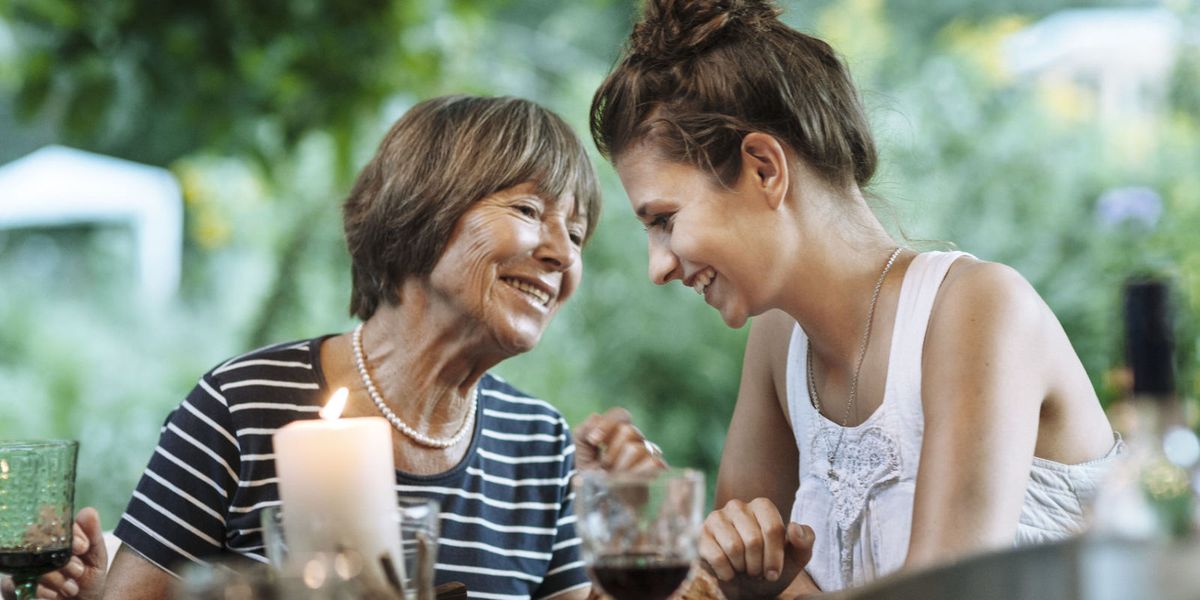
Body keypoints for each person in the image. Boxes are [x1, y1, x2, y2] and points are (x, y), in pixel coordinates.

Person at [7, 95, 661, 600]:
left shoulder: (540, 442)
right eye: (527, 211)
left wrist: (621, 528)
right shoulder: (242, 405)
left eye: (576, 232)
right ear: (423, 208)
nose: (561, 253)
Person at [589, 0, 1123, 597]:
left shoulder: (978, 310)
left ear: (765, 168)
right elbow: (732, 588)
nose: (657, 267)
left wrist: (776, 587)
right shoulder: (778, 343)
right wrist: (656, 520)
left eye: (664, 219)